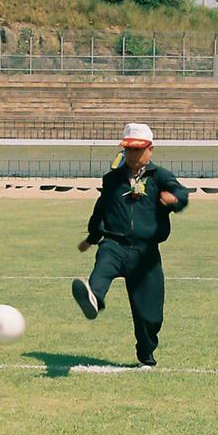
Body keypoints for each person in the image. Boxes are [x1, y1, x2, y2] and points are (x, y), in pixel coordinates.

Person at [72, 122, 189, 368]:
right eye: (129, 149)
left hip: (146, 252)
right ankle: (94, 298)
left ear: (150, 150)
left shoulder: (161, 176)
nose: (133, 154)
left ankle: (146, 354)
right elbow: (101, 210)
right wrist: (92, 238)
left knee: (150, 314)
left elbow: (182, 194)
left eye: (138, 149)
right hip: (114, 243)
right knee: (103, 267)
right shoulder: (112, 179)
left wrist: (174, 200)